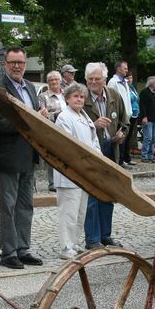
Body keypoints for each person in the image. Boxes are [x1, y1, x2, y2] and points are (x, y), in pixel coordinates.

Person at [0, 46, 46, 269]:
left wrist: (39, 119)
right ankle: (8, 252)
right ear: (5, 64)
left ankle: (23, 249)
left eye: (20, 63)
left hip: (28, 155)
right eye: (12, 62)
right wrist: (30, 119)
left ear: (25, 64)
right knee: (8, 206)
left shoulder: (31, 87)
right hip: (8, 156)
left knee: (26, 206)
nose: (17, 66)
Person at [82, 62, 128, 248]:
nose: (93, 82)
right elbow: (74, 126)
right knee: (92, 196)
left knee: (109, 194)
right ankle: (92, 239)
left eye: (97, 79)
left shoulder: (114, 95)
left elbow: (125, 121)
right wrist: (94, 124)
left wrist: (121, 134)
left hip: (111, 149)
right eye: (90, 79)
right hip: (91, 153)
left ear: (105, 80)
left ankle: (105, 235)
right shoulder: (82, 97)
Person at [54, 82, 100, 258]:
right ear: (67, 99)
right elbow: (67, 145)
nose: (79, 99)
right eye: (75, 96)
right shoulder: (64, 117)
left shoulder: (84, 116)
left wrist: (96, 158)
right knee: (69, 211)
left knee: (81, 210)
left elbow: (93, 140)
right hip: (70, 172)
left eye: (81, 96)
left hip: (85, 171)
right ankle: (66, 246)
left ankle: (75, 242)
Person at [41, 70, 65, 192]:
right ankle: (52, 183)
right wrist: (58, 115)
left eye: (56, 79)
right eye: (51, 80)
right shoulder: (43, 96)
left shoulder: (67, 94)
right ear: (48, 82)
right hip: (52, 129)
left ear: (61, 81)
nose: (54, 82)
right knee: (52, 156)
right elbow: (41, 115)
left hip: (68, 129)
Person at [139, 75, 155, 162]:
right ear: (151, 83)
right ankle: (144, 156)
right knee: (148, 137)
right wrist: (144, 116)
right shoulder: (144, 92)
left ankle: (151, 156)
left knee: (154, 138)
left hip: (154, 118)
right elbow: (142, 105)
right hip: (147, 119)